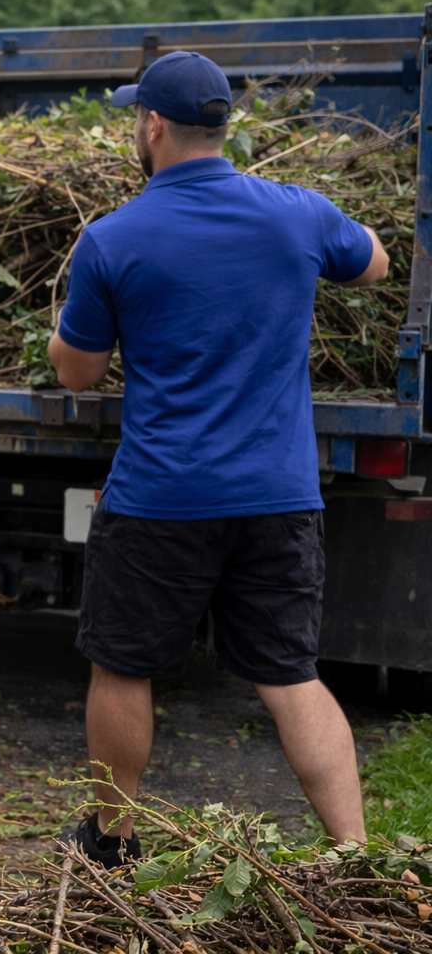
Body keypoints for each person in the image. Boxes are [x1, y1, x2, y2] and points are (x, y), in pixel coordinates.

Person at [49, 51, 389, 865]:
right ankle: (357, 856)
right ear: (223, 126)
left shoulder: (113, 238)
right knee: (291, 674)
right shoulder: (297, 215)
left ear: (153, 126)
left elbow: (78, 370)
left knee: (123, 667)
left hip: (161, 498)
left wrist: (70, 330)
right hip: (277, 496)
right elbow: (374, 264)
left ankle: (112, 841)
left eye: (138, 117)